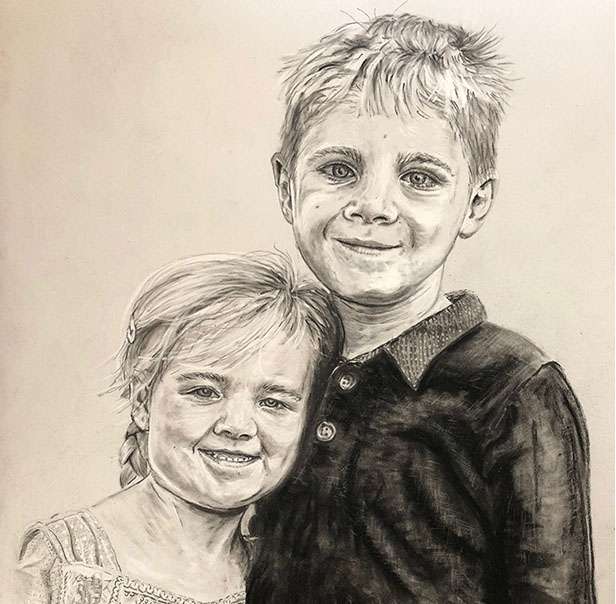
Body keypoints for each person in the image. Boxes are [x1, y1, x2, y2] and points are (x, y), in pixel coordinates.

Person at [247, 13, 595, 603]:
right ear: (286, 185)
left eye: (419, 177)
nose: (374, 206)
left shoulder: (515, 389)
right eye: (339, 170)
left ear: (475, 203)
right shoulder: (263, 360)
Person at [15, 252, 341, 604]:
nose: (238, 426)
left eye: (273, 402)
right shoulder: (64, 562)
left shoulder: (293, 577)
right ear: (142, 401)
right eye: (204, 392)